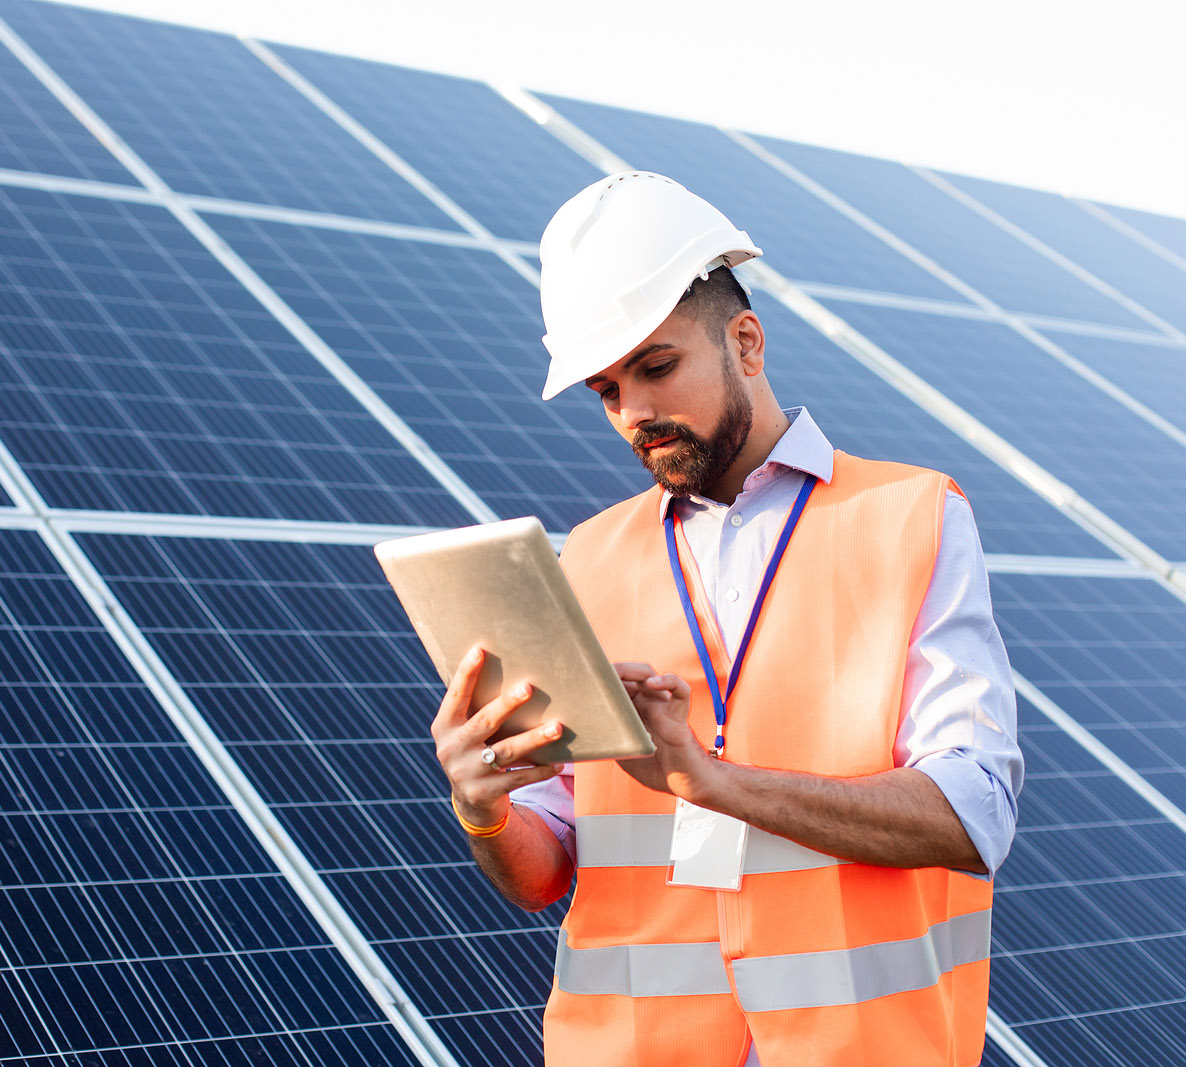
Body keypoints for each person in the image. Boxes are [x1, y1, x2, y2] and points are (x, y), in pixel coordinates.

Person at [430, 171, 1022, 1067]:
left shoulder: (915, 517)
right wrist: (483, 807)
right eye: (605, 389)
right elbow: (541, 866)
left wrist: (712, 779)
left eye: (656, 367)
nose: (634, 412)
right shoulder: (581, 561)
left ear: (746, 342)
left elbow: (972, 815)